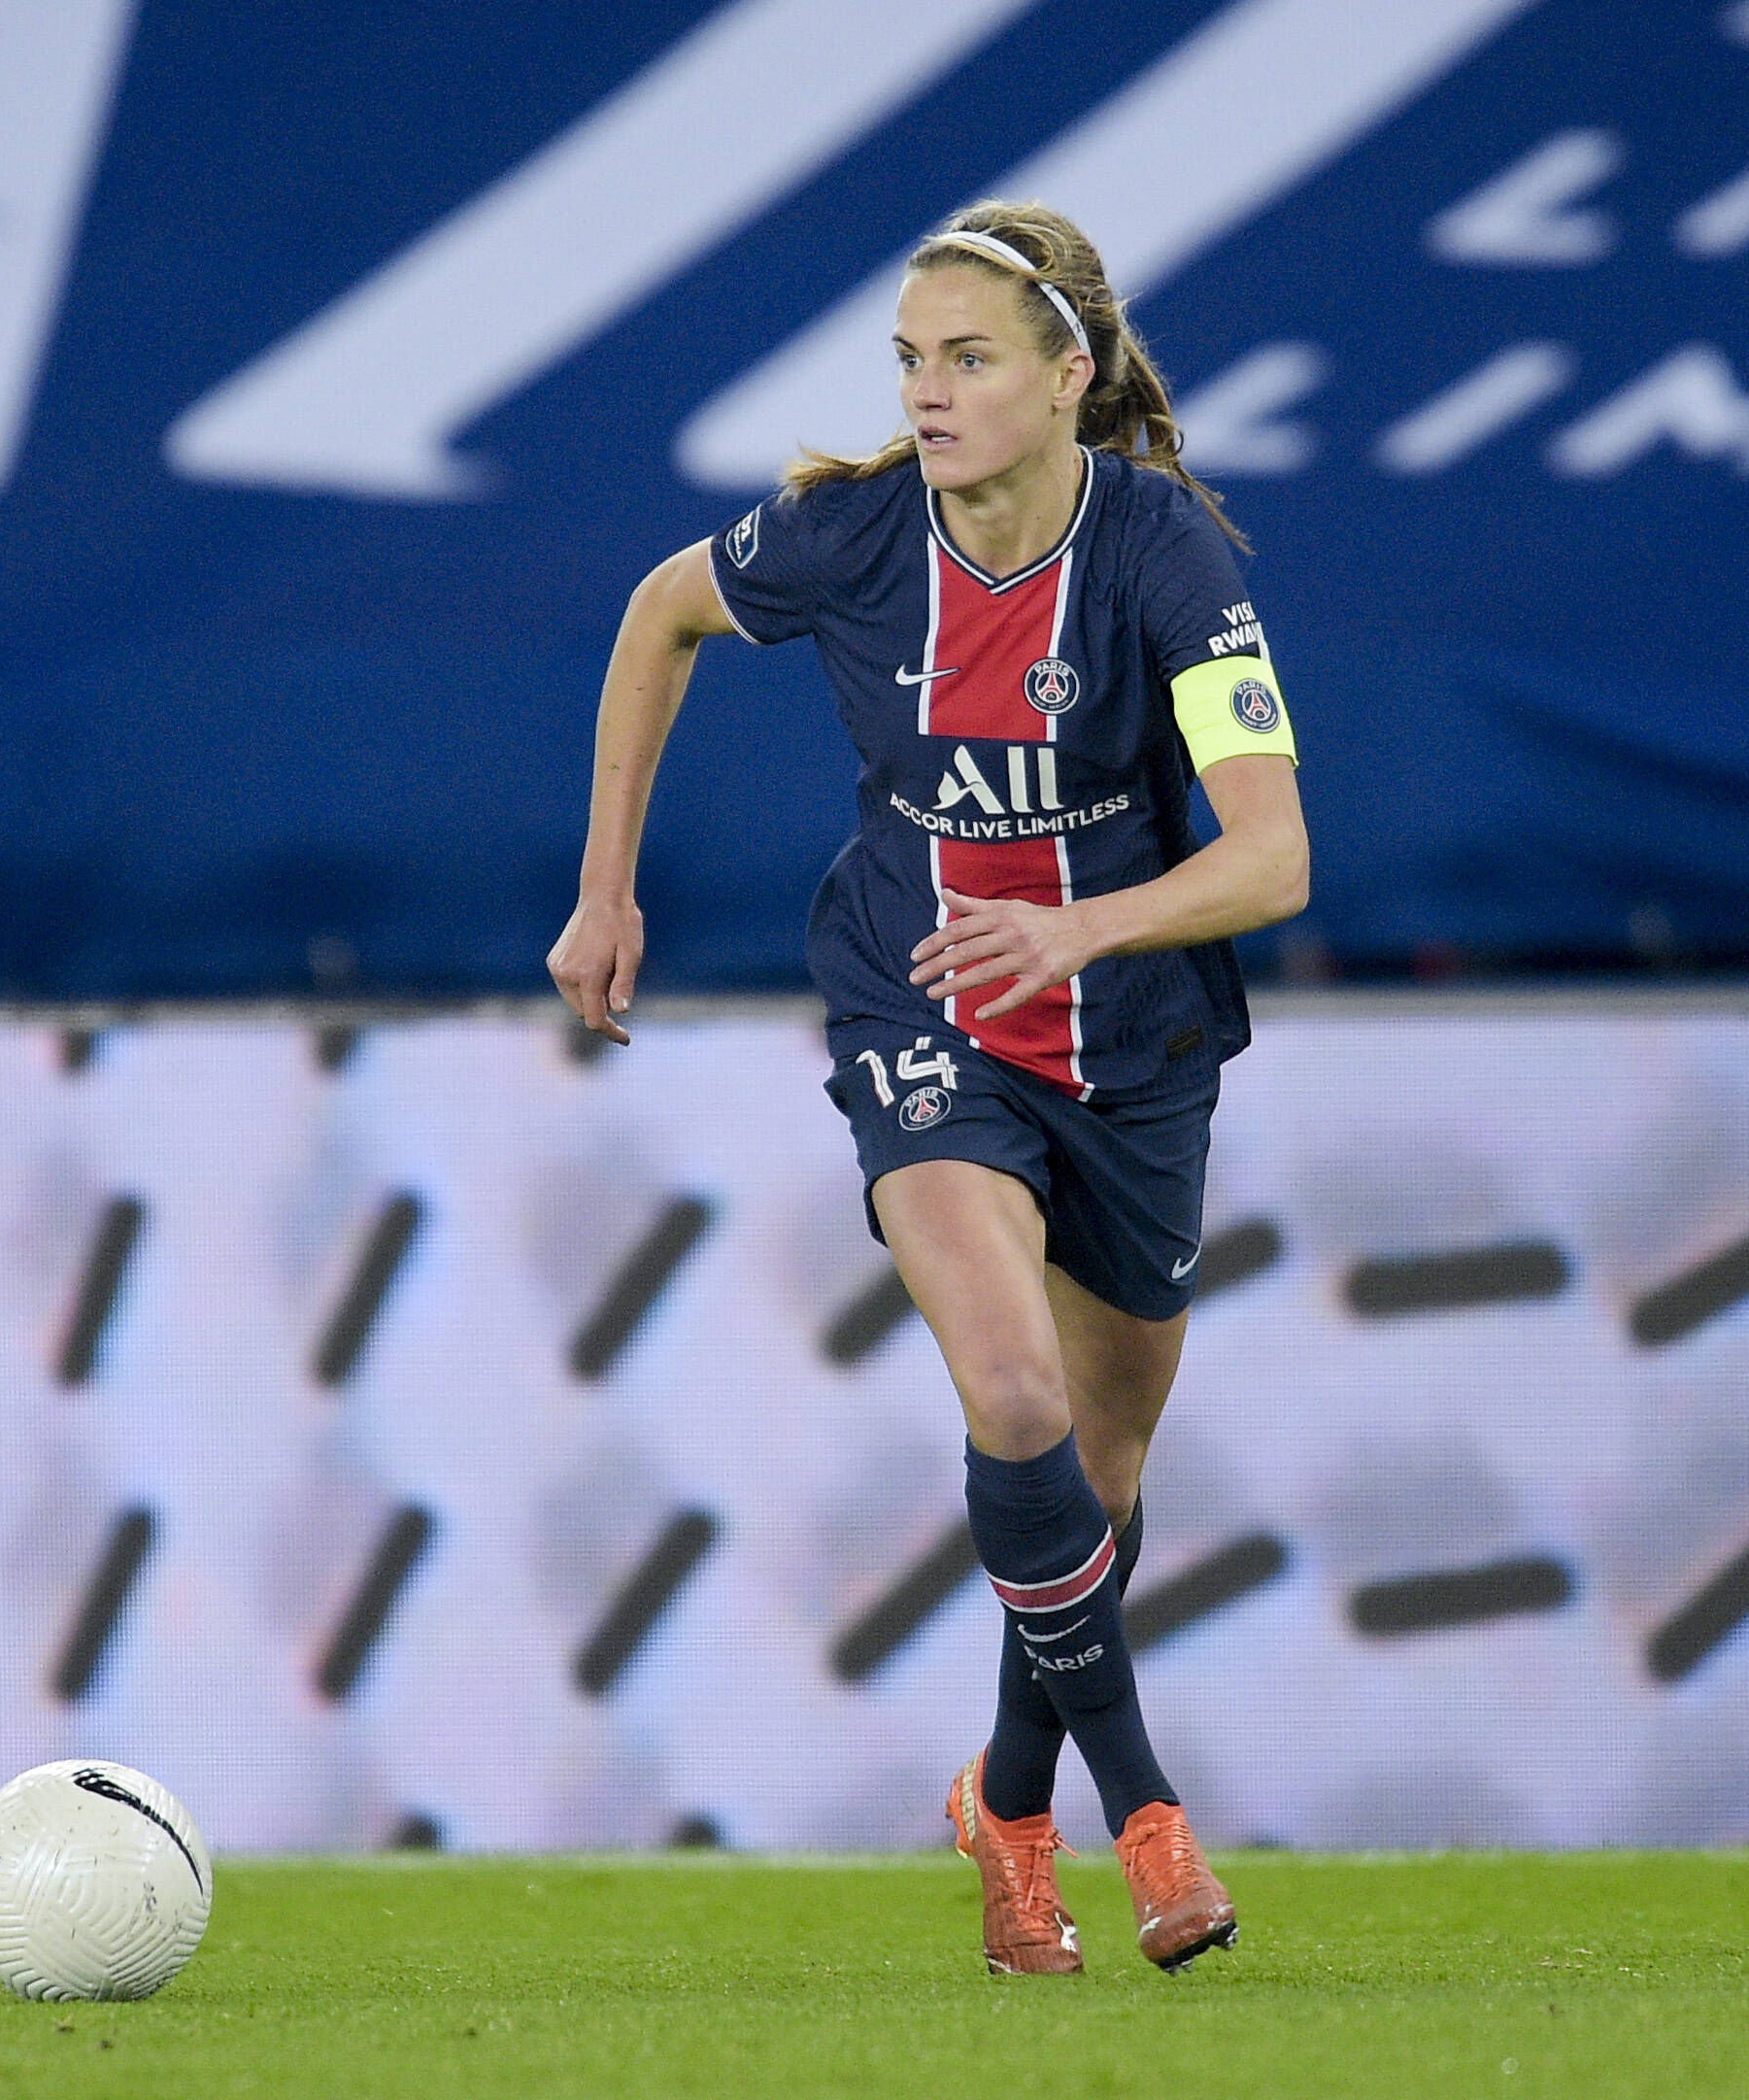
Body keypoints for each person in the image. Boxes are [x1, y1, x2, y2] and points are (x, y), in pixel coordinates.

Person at [547, 199, 1309, 1975]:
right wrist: (605, 883)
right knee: (1015, 1383)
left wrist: (1086, 925)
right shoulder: (848, 535)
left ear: (1070, 376)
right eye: (909, 358)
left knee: (1102, 1453)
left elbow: (1272, 858)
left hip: (1126, 1032)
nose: (931, 391)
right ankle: (1144, 1813)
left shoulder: (1167, 555)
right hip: (918, 988)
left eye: (969, 359)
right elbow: (658, 617)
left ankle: (1004, 1800)